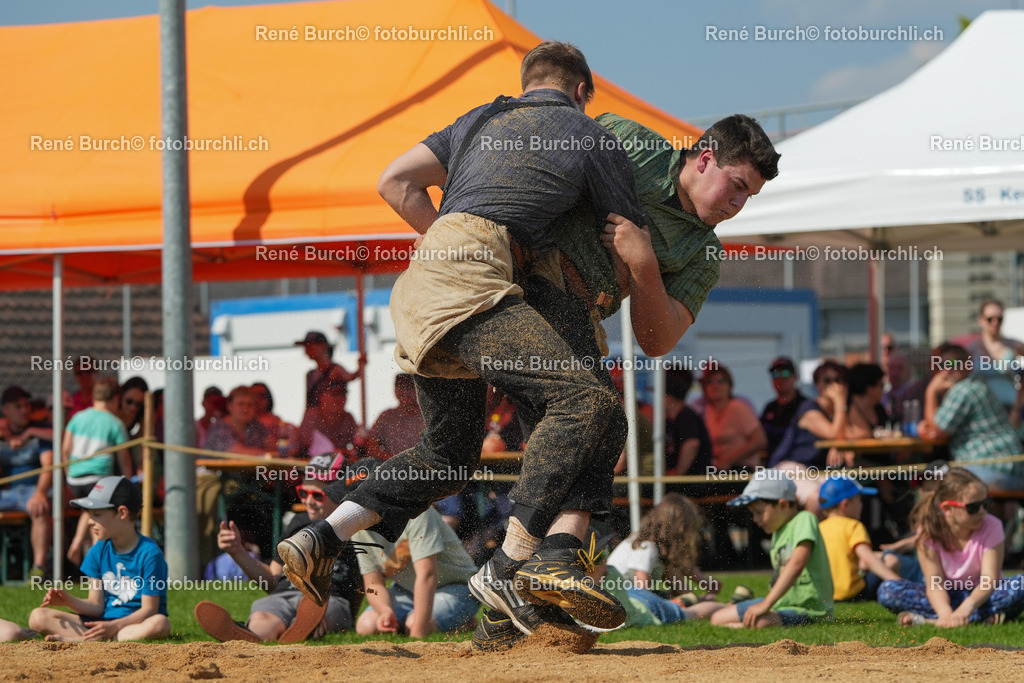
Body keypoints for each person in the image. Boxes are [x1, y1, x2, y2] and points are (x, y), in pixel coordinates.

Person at [279, 41, 779, 641]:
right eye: (737, 183)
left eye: (749, 195)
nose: (737, 202)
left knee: (454, 454)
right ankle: (517, 568)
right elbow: (560, 196)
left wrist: (642, 267)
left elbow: (657, 339)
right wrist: (479, 250)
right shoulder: (614, 139)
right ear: (703, 158)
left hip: (479, 293)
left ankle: (329, 536)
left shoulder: (700, 251)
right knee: (592, 411)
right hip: (510, 289)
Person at [194, 454, 363, 643]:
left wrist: (358, 614)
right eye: (303, 493)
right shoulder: (298, 522)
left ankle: (300, 629)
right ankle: (253, 636)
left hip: (327, 600)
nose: (308, 501)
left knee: (318, 615)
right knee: (262, 618)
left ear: (343, 494)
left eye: (318, 495)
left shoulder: (354, 527)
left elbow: (369, 577)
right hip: (283, 594)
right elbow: (272, 578)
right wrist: (237, 552)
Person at [27, 476, 170, 642]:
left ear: (122, 513)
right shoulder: (98, 550)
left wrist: (114, 627)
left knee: (160, 623)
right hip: (103, 622)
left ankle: (86, 640)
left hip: (133, 624)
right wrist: (68, 600)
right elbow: (96, 606)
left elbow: (149, 609)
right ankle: (101, 639)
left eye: (97, 514)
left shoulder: (150, 553)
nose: (89, 521)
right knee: (37, 616)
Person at [877, 468, 1024, 626]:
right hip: (944, 597)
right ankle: (981, 618)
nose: (982, 511)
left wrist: (967, 608)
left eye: (986, 503)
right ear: (947, 508)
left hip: (982, 596)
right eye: (973, 507)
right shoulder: (928, 532)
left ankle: (930, 620)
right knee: (888, 590)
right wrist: (945, 613)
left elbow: (989, 580)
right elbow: (935, 583)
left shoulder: (992, 525)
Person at [352, 464, 480, 638]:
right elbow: (373, 583)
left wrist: (417, 635)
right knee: (366, 625)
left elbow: (427, 574)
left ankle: (463, 620)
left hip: (459, 588)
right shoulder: (358, 523)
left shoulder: (417, 511)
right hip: (407, 589)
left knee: (414, 624)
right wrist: (385, 611)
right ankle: (455, 621)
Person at [711, 470, 834, 628]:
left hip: (808, 610)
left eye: (759, 512)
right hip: (781, 604)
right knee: (717, 618)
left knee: (761, 622)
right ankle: (747, 620)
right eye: (752, 513)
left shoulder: (805, 519)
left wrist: (766, 604)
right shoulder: (777, 532)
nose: (755, 519)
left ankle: (747, 623)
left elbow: (796, 564)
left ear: (783, 504)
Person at [917, 343, 1024, 490]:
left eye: (954, 363)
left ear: (968, 363)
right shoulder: (977, 383)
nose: (947, 369)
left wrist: (931, 391)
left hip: (992, 468)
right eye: (941, 364)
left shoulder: (963, 389)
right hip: (1012, 469)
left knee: (932, 483)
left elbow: (940, 430)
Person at [605, 494, 722, 612]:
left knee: (671, 573)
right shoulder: (646, 547)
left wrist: (707, 583)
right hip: (621, 600)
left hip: (629, 596)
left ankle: (694, 603)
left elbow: (682, 567)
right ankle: (694, 605)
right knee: (668, 596)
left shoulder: (658, 547)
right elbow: (641, 591)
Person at [64, 376, 133, 565]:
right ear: (115, 399)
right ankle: (96, 560)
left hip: (75, 478)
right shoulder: (114, 422)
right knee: (100, 520)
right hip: (98, 477)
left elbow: (65, 449)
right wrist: (128, 482)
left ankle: (77, 543)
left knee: (89, 510)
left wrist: (68, 474)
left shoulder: (77, 418)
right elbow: (123, 456)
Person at [769, 360, 850, 516]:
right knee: (817, 498)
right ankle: (810, 540)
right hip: (792, 467)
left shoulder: (840, 412)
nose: (834, 385)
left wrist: (839, 445)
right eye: (827, 380)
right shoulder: (809, 409)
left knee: (848, 495)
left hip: (819, 471)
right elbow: (835, 434)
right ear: (817, 385)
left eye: (838, 380)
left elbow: (855, 434)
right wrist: (840, 402)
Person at [817, 476, 905, 602]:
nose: (862, 505)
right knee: (891, 559)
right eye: (859, 501)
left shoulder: (819, 528)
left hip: (826, 595)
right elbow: (867, 558)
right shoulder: (853, 526)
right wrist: (897, 581)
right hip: (853, 594)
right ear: (845, 505)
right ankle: (897, 594)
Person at [0, 385, 54, 577]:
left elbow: (49, 466)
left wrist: (40, 492)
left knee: (40, 507)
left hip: (33, 490)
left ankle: (38, 568)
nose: (25, 410)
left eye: (26, 405)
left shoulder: (41, 431)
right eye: (18, 406)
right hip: (7, 493)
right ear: (5, 409)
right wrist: (6, 436)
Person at [700, 365, 767, 471]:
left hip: (744, 470)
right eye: (709, 382)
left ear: (730, 385)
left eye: (720, 381)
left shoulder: (737, 407)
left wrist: (729, 460)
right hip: (720, 469)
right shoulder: (708, 410)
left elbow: (760, 440)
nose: (715, 386)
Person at [967, 299, 1024, 411]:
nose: (995, 323)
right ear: (981, 320)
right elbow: (954, 362)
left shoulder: (1014, 345)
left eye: (999, 319)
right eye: (990, 319)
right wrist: (945, 363)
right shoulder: (972, 348)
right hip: (981, 409)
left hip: (1011, 408)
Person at [289, 380, 360, 460]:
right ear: (321, 397)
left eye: (343, 394)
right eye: (334, 394)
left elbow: (358, 443)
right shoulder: (312, 416)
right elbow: (305, 447)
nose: (339, 398)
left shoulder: (348, 418)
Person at [295, 331, 360, 410]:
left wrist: (361, 365)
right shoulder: (310, 374)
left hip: (332, 419)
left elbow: (351, 377)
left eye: (309, 346)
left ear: (323, 346)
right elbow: (309, 406)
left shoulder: (335, 369)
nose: (306, 351)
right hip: (314, 419)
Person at [365, 374, 424, 461]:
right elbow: (370, 445)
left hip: (422, 468)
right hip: (393, 469)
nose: (405, 392)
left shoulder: (426, 416)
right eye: (401, 387)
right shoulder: (386, 416)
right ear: (395, 391)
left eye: (409, 388)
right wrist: (390, 458)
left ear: (417, 389)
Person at [761, 357, 807, 456]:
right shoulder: (770, 408)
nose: (780, 378)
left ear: (795, 377)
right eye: (775, 374)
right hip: (772, 463)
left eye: (785, 373)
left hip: (798, 462)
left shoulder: (805, 406)